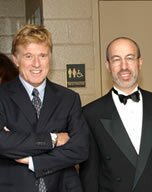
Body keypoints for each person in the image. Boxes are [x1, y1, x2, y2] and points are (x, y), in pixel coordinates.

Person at [0, 24, 89, 192]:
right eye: (28, 56)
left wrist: (33, 161)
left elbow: (80, 148)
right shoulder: (2, 96)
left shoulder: (69, 98)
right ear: (15, 59)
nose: (36, 64)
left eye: (43, 55)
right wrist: (52, 139)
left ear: (50, 57)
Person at [79, 37, 152, 192]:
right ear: (108, 65)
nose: (124, 66)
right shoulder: (90, 114)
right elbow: (90, 176)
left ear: (140, 62)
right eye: (116, 59)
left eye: (130, 58)